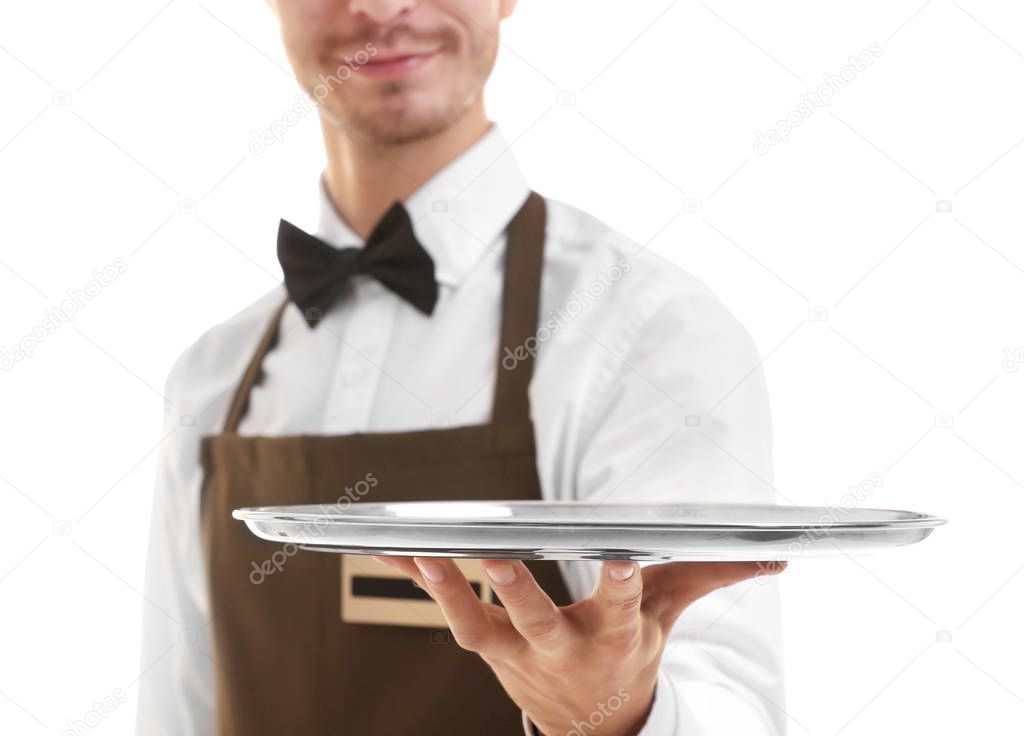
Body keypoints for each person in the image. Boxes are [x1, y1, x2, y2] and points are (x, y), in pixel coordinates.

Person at [137, 1, 787, 734]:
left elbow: (731, 703)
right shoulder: (210, 376)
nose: (380, 7)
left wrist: (618, 716)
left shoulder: (645, 332)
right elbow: (175, 712)